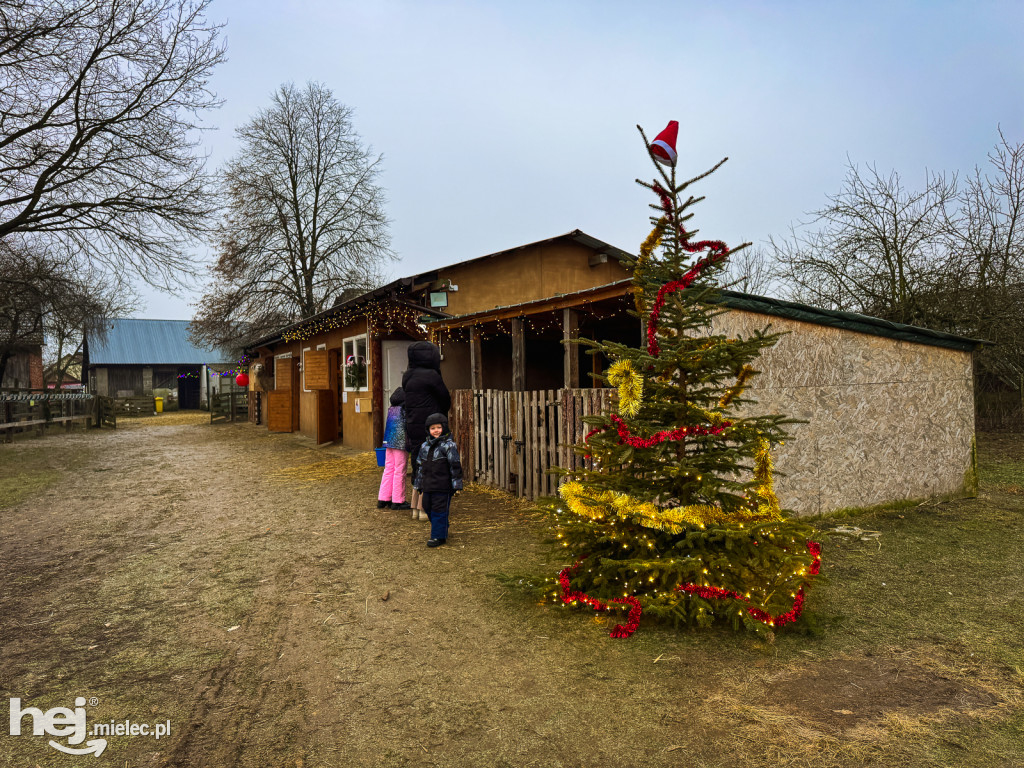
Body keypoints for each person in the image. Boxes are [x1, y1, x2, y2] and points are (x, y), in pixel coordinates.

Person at [402, 341, 451, 521]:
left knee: (418, 463)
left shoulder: (408, 375)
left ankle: (415, 507)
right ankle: (425, 508)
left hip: (412, 423)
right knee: (433, 464)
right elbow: (445, 398)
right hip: (430, 425)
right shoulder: (432, 376)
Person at [412, 412, 463, 548]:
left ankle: (438, 536)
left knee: (439, 510)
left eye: (438, 427)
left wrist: (456, 485)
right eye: (433, 428)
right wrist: (418, 484)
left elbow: (455, 465)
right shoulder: (424, 446)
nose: (436, 431)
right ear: (428, 430)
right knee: (427, 506)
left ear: (444, 428)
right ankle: (442, 525)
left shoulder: (449, 445)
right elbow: (419, 466)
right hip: (428, 485)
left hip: (443, 486)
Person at [377, 387, 410, 510]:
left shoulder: (391, 409)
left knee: (389, 468)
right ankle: (398, 500)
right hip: (400, 444)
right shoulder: (404, 410)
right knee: (400, 470)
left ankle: (383, 498)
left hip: (388, 442)